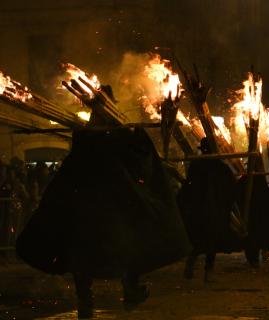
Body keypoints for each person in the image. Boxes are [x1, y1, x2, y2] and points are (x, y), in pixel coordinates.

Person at [17, 105, 191, 318]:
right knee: (117, 250)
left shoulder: (88, 140)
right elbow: (138, 154)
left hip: (89, 211)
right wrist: (136, 135)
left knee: (95, 255)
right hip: (103, 211)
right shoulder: (109, 140)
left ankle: (109, 296)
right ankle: (121, 293)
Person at [177, 137, 240, 281]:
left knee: (199, 240)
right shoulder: (220, 167)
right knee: (211, 241)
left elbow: (188, 186)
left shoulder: (197, 165)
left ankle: (193, 264)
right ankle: (208, 271)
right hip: (213, 211)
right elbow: (231, 188)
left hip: (199, 210)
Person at [236, 156, 269, 266]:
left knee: (255, 237)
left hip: (256, 215)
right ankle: (254, 259)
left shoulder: (256, 179)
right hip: (252, 215)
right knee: (254, 238)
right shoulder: (248, 179)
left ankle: (255, 259)